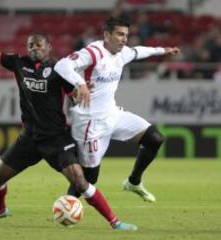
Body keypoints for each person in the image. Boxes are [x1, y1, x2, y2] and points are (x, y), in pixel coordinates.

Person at [0, 11, 137, 230]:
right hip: (29, 138)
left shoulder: (60, 71)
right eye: (31, 45)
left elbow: (75, 96)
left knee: (80, 182)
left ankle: (114, 222)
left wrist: (80, 92)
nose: (35, 48)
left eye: (40, 45)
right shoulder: (18, 63)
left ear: (49, 47)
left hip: (56, 139)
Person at [54, 17, 180, 202]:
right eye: (120, 34)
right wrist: (80, 83)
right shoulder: (93, 52)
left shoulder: (123, 53)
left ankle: (134, 181)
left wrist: (163, 50)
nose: (124, 39)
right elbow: (61, 65)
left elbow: (139, 51)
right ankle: (66, 206)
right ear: (107, 35)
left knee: (154, 138)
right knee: (88, 179)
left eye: (126, 35)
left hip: (113, 115)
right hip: (90, 122)